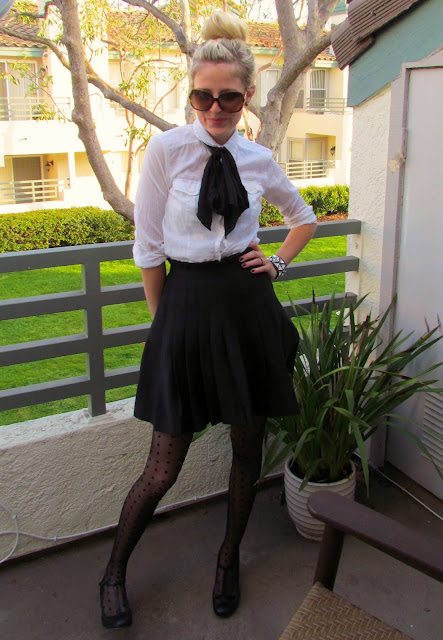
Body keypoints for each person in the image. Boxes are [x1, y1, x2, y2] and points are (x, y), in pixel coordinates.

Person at [99, 10, 317, 629]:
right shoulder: (167, 150)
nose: (215, 108)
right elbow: (148, 249)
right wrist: (163, 327)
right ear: (191, 94)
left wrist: (276, 262)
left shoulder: (258, 158)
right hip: (186, 305)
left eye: (228, 97)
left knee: (247, 447)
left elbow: (303, 218)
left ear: (247, 96)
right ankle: (113, 572)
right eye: (203, 96)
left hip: (247, 307)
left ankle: (228, 561)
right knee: (162, 468)